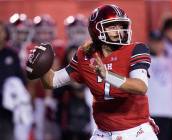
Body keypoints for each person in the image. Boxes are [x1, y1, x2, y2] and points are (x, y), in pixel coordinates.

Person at [31, 4, 159, 140]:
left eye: (120, 25)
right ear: (96, 30)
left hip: (136, 131)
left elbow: (141, 87)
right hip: (103, 133)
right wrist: (42, 67)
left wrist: (107, 76)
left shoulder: (136, 49)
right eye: (112, 26)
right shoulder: (85, 55)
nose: (119, 30)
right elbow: (52, 81)